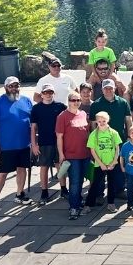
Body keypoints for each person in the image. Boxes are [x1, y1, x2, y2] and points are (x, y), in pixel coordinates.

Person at [0, 77, 33, 212]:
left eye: (16, 85)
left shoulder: (26, 101)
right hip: (7, 146)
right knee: (3, 172)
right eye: (11, 86)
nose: (14, 88)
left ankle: (20, 193)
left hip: (25, 144)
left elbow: (32, 122)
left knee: (22, 168)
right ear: (5, 87)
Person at [91, 78, 132, 200]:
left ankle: (119, 190)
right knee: (100, 168)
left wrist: (129, 136)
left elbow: (128, 120)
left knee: (118, 166)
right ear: (102, 90)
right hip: (101, 142)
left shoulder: (123, 102)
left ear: (114, 88)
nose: (108, 90)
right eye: (106, 88)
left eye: (110, 88)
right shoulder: (96, 104)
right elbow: (93, 124)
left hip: (119, 140)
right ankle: (99, 194)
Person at [56, 91, 90, 219]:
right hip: (71, 155)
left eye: (78, 100)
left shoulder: (83, 114)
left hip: (85, 154)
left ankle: (78, 201)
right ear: (68, 101)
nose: (76, 102)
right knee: (74, 182)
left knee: (81, 180)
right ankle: (73, 208)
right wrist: (61, 154)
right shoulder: (62, 116)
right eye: (73, 100)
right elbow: (59, 137)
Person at [30, 83, 66, 205]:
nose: (48, 95)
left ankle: (63, 189)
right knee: (44, 167)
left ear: (54, 94)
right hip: (44, 142)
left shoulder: (60, 106)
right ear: (41, 94)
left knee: (60, 165)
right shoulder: (36, 108)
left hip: (58, 141)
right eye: (45, 92)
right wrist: (34, 144)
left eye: (50, 92)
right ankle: (44, 192)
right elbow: (33, 128)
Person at [85, 111, 122, 212]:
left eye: (104, 121)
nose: (101, 123)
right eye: (99, 121)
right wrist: (101, 164)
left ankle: (111, 203)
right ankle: (88, 205)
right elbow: (92, 150)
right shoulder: (94, 134)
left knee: (112, 184)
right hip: (99, 164)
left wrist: (114, 161)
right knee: (95, 184)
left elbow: (117, 147)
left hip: (112, 164)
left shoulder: (113, 133)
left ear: (108, 120)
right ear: (96, 121)